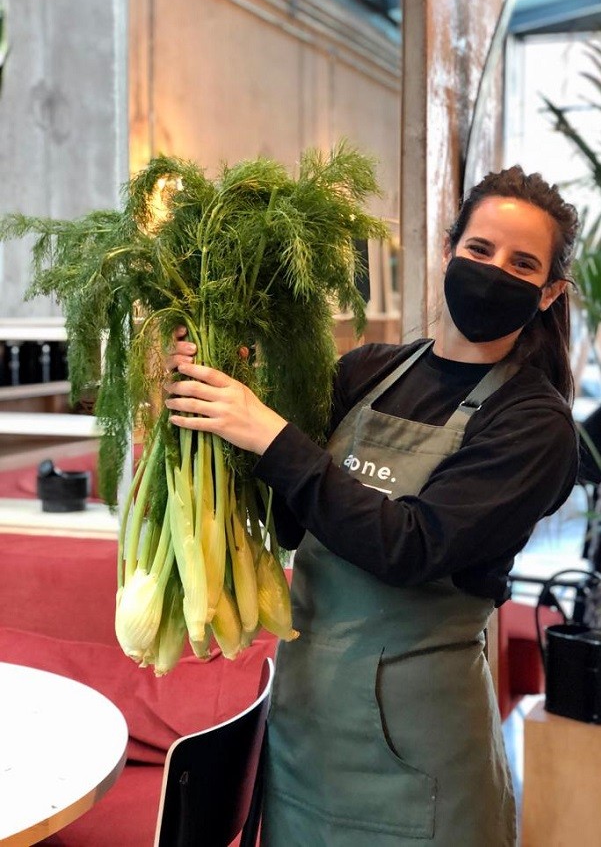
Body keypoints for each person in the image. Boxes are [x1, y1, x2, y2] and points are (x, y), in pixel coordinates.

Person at [164, 165, 579, 846]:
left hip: (420, 761)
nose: (492, 270)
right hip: (304, 736)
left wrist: (268, 433)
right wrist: (214, 396)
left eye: (521, 263)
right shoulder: (366, 371)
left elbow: (409, 547)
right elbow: (295, 521)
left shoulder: (532, 424)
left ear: (547, 292)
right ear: (447, 252)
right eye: (478, 250)